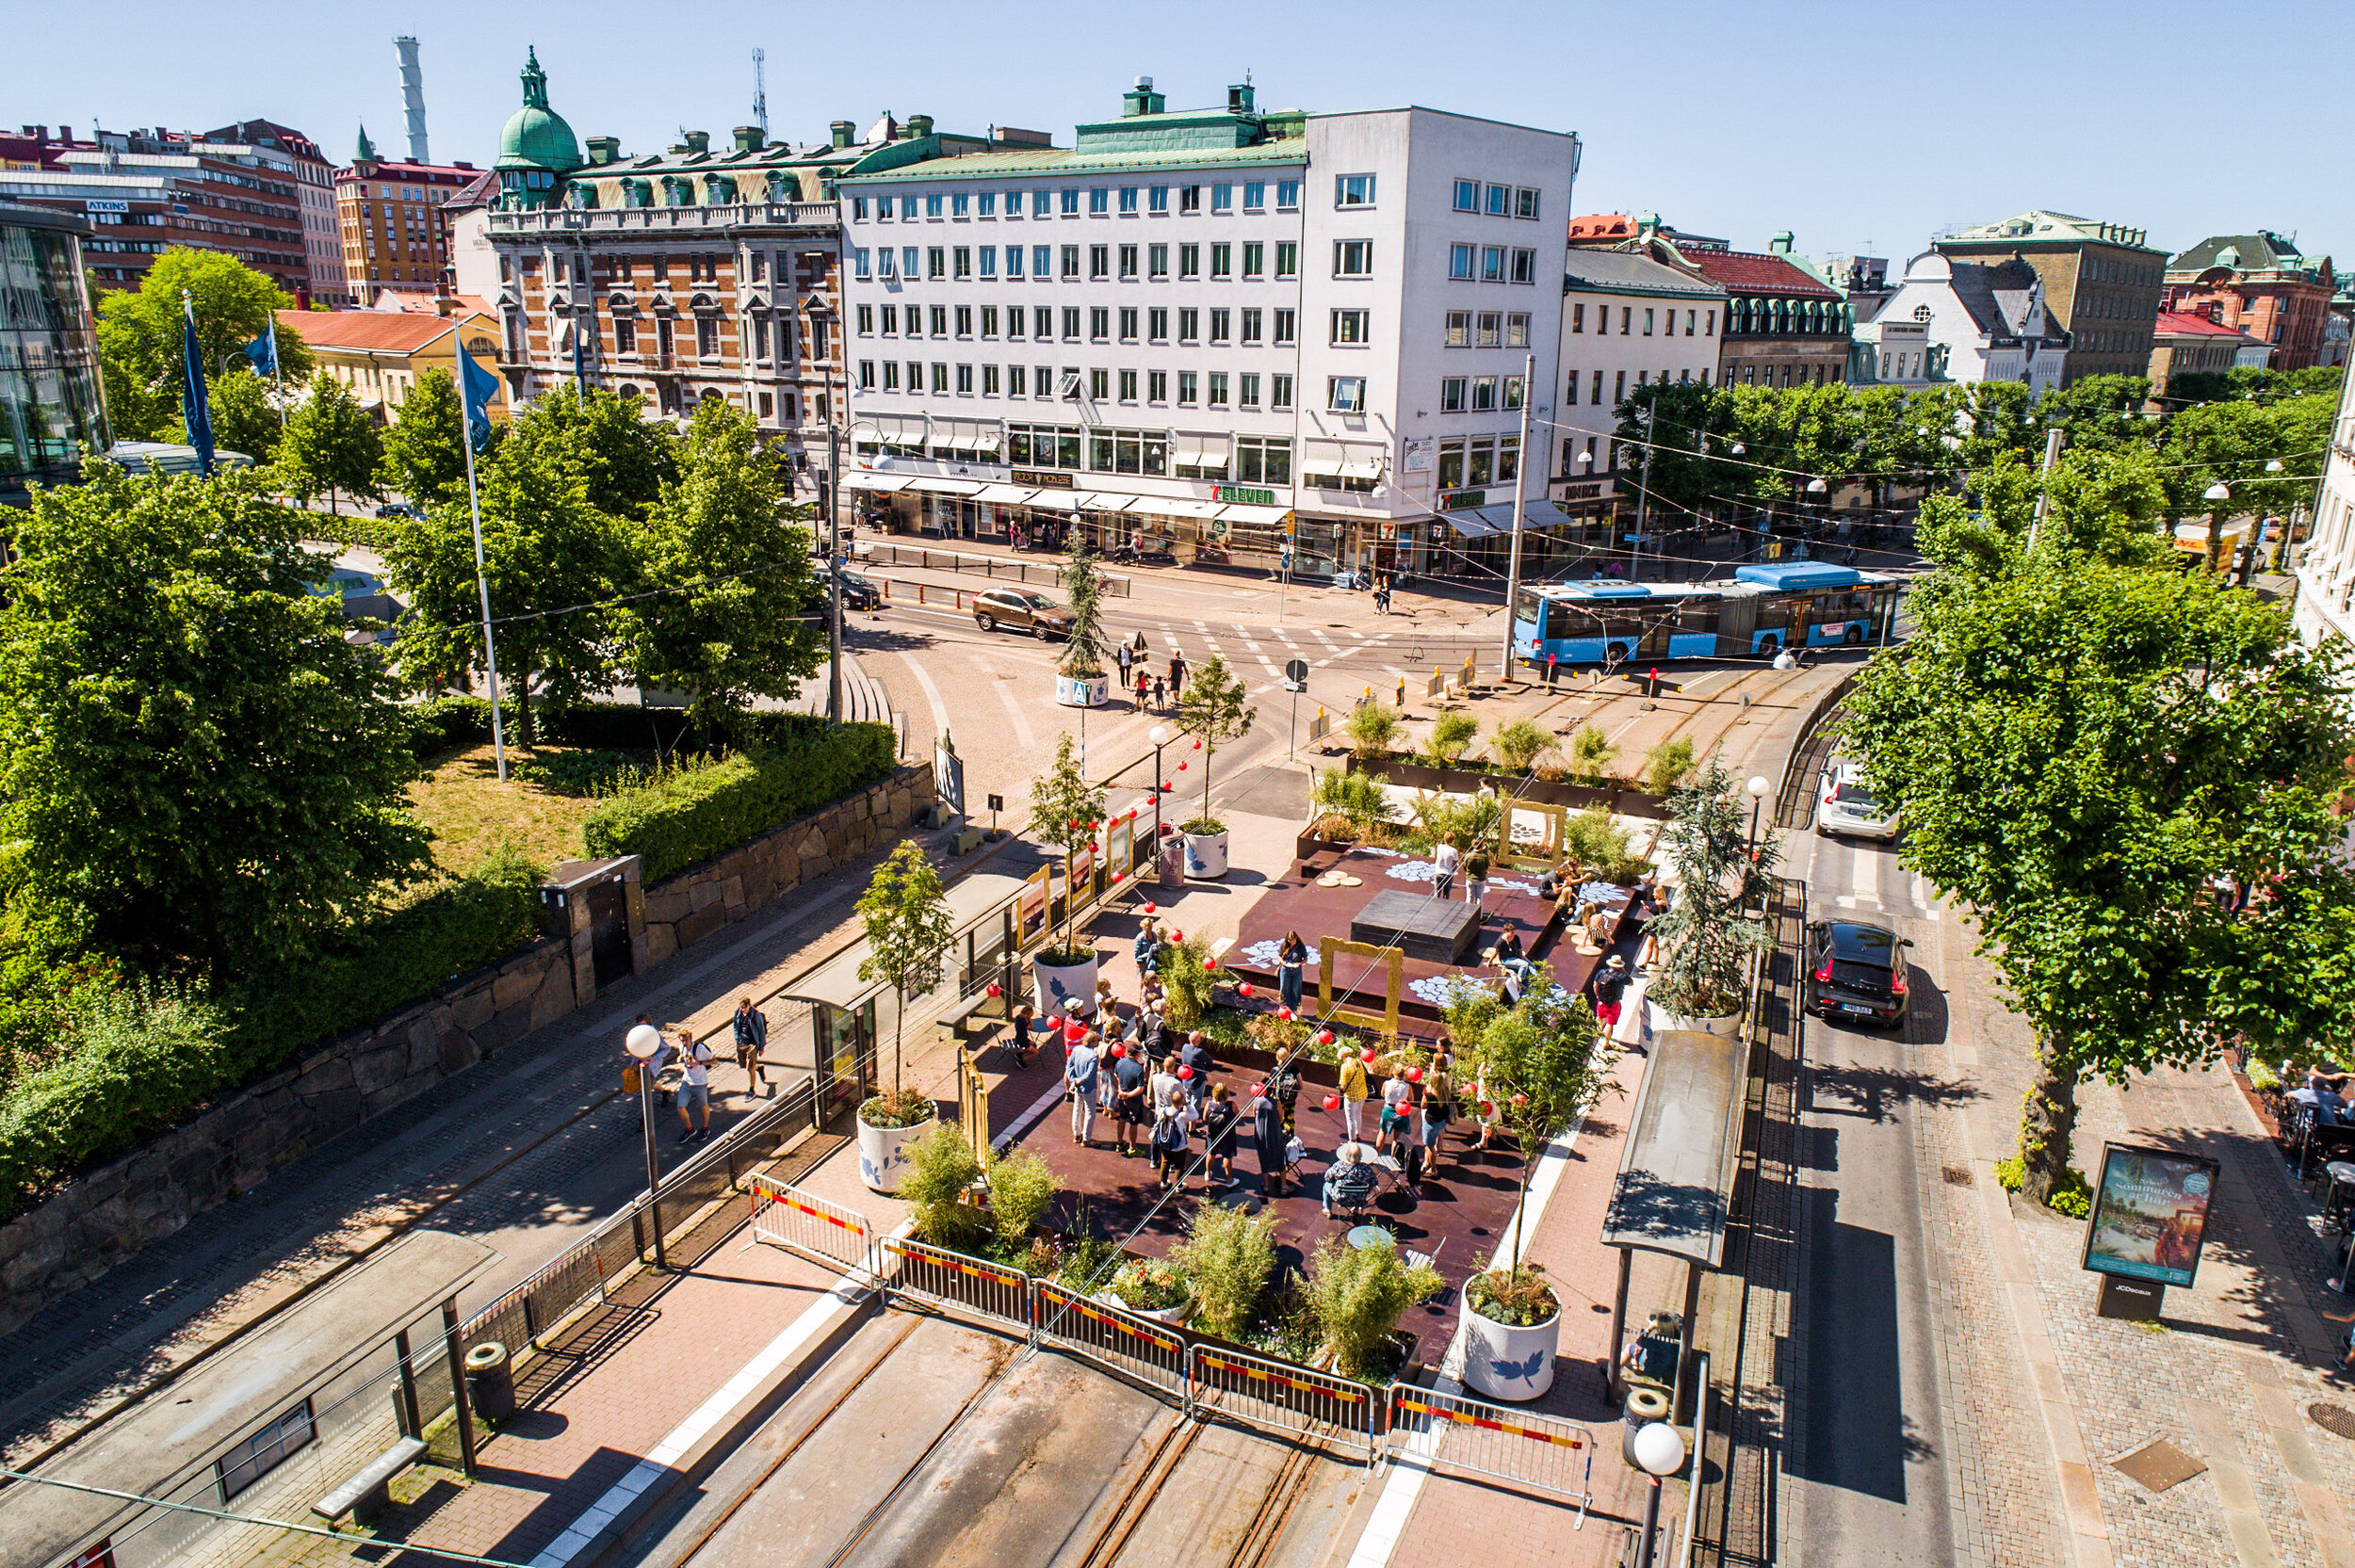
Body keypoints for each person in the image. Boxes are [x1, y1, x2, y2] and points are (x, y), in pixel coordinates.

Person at [1620, 1310, 1683, 1385]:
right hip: (1672, 1369)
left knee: (1629, 1348)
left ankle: (1616, 1369)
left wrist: (1649, 1328)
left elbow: (1639, 1341)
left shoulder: (1654, 1341)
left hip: (1654, 1369)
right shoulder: (1678, 1337)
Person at [676, 1027, 715, 1142]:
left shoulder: (699, 1048)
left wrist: (700, 1062)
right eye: (682, 1040)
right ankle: (690, 1129)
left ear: (691, 1039)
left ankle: (705, 1128)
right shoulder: (681, 1048)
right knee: (680, 1107)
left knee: (703, 1106)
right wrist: (680, 1059)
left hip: (700, 1082)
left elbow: (714, 1060)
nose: (684, 1043)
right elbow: (684, 1059)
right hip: (687, 1081)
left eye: (686, 1040)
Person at [1151, 1088, 1194, 1191]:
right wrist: (1187, 1105)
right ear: (1181, 1102)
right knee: (1179, 1164)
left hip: (1165, 1141)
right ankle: (1179, 1186)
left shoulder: (1163, 1110)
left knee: (1165, 1161)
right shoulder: (1181, 1115)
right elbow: (1195, 1115)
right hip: (1180, 1144)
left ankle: (1163, 1183)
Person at [1111, 1043, 1149, 1156]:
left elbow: (1116, 1076)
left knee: (1122, 1119)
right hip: (1134, 1101)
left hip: (1121, 1097)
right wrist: (1129, 1095)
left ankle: (1119, 1143)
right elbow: (1140, 1088)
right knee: (1133, 1123)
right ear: (1137, 1053)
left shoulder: (1120, 1062)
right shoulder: (1138, 1068)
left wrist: (1120, 1090)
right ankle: (1132, 1148)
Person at [1323, 1141, 1378, 1219]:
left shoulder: (1339, 1166)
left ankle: (1328, 1209)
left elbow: (1327, 1178)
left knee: (1326, 1186)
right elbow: (1374, 1182)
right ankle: (1355, 1209)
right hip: (1359, 1199)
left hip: (1341, 1198)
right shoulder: (1366, 1169)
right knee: (1360, 1188)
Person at [1065, 1029, 1102, 1144]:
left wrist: (1073, 1080)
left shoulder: (1076, 1050)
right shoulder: (1094, 1055)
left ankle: (1077, 1134)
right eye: (1097, 1041)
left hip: (1077, 1087)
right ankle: (1087, 1138)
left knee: (1077, 1109)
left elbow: (1069, 1066)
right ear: (1092, 1042)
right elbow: (1090, 1074)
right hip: (1088, 1088)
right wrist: (1079, 1080)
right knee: (1090, 1112)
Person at [1421, 1054, 1454, 1179]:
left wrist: (1426, 1093)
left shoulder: (1429, 1095)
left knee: (1429, 1146)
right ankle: (1428, 1162)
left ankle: (1433, 1168)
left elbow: (1423, 1106)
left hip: (1431, 1123)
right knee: (1432, 1143)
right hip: (1441, 1123)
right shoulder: (1445, 1092)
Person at [1201, 1084, 1240, 1187]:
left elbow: (1204, 1118)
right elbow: (1238, 1118)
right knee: (1227, 1156)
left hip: (1212, 1133)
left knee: (1211, 1153)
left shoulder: (1209, 1104)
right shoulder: (1231, 1105)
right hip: (1227, 1135)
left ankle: (1208, 1173)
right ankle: (1230, 1180)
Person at [1253, 1087, 1288, 1197]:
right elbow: (1281, 1118)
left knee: (1263, 1156)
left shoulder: (1256, 1101)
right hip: (1274, 1132)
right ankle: (1284, 1185)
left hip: (1261, 1133)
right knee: (1279, 1155)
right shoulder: (1276, 1102)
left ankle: (1266, 1184)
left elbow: (1254, 1115)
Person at [730, 998, 770, 1094]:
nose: (743, 1010)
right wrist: (737, 1039)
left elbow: (761, 1031)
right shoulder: (738, 1012)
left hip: (752, 1044)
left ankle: (752, 1090)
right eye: (741, 1007)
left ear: (749, 1005)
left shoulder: (756, 1015)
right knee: (743, 1065)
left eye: (745, 1008)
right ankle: (759, 1068)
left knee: (750, 1069)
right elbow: (735, 1025)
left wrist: (761, 1047)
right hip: (742, 1043)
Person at [1377, 1066, 1415, 1154]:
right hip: (1401, 1111)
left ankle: (1377, 1152)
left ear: (1394, 1073)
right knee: (1396, 1138)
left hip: (1388, 1109)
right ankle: (1393, 1158)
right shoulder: (1407, 1086)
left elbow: (1382, 1094)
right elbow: (1411, 1099)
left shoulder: (1386, 1083)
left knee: (1382, 1132)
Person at [1337, 1048, 1371, 1143]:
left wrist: (1340, 1088)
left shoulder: (1345, 1067)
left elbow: (1343, 1086)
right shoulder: (1359, 1062)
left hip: (1352, 1096)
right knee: (1358, 1114)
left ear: (1343, 1057)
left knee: (1350, 1118)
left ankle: (1351, 1140)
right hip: (1362, 1093)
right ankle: (1357, 1134)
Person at [1594, 953, 1632, 1036]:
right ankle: (1607, 1044)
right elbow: (1630, 983)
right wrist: (1624, 971)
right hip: (1614, 1003)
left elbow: (1595, 985)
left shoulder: (1602, 972)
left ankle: (1598, 1033)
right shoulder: (1622, 976)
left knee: (1600, 1017)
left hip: (1601, 1001)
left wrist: (1598, 996)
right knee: (1610, 1023)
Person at [1178, 1029, 1214, 1108]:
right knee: (1194, 1105)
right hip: (1196, 1082)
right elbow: (1209, 1061)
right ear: (1198, 1041)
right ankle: (1192, 1119)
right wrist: (1205, 1069)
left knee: (1187, 1100)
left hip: (1186, 1080)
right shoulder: (1199, 1052)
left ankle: (1186, 1116)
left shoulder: (1184, 1047)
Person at [1277, 931, 1307, 1013]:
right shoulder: (1284, 945)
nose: (1291, 942)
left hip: (1296, 970)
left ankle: (1295, 1009)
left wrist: (1299, 964)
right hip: (1285, 969)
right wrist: (1283, 963)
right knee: (1284, 988)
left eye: (1293, 940)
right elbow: (1279, 956)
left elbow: (1305, 959)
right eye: (1289, 940)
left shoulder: (1300, 946)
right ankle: (1283, 1007)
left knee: (1295, 988)